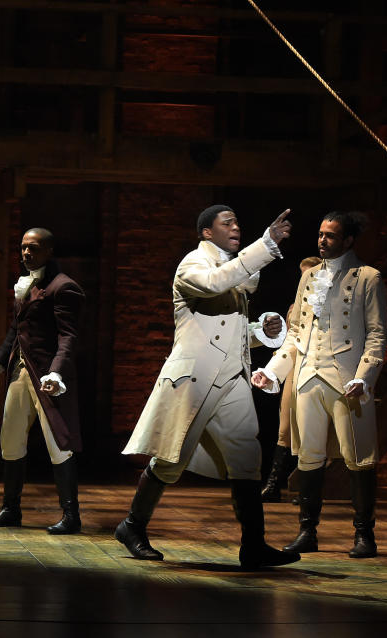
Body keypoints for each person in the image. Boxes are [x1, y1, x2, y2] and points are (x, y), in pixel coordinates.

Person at [115, 204, 300, 569]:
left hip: (232, 378)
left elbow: (229, 334)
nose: (235, 226)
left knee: (247, 458)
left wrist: (262, 332)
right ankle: (132, 526)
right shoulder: (192, 265)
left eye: (237, 221)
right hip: (195, 381)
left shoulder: (233, 273)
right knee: (170, 460)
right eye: (226, 222)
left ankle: (254, 546)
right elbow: (216, 283)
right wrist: (265, 245)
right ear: (206, 232)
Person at [252, 211, 387, 558]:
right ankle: (307, 532)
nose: (322, 240)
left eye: (330, 235)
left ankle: (364, 535)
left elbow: (376, 333)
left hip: (347, 379)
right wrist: (274, 370)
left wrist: (365, 375)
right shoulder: (310, 276)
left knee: (359, 457)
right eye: (320, 233)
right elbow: (296, 332)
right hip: (309, 376)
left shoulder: (368, 278)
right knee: (309, 457)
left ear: (349, 240)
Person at [0, 227, 86, 534]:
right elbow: (16, 332)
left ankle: (71, 515)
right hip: (20, 373)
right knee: (9, 438)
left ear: (49, 251)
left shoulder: (63, 287)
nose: (26, 253)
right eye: (23, 247)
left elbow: (68, 336)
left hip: (47, 376)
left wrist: (57, 371)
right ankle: (11, 509)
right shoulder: (25, 285)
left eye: (33, 248)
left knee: (57, 443)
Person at [261, 255, 322, 503]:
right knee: (284, 429)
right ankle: (274, 484)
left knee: (311, 432)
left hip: (315, 370)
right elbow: (289, 342)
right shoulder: (295, 306)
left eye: (309, 274)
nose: (303, 280)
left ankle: (305, 487)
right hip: (293, 371)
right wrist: (275, 372)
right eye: (301, 275)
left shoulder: (325, 303)